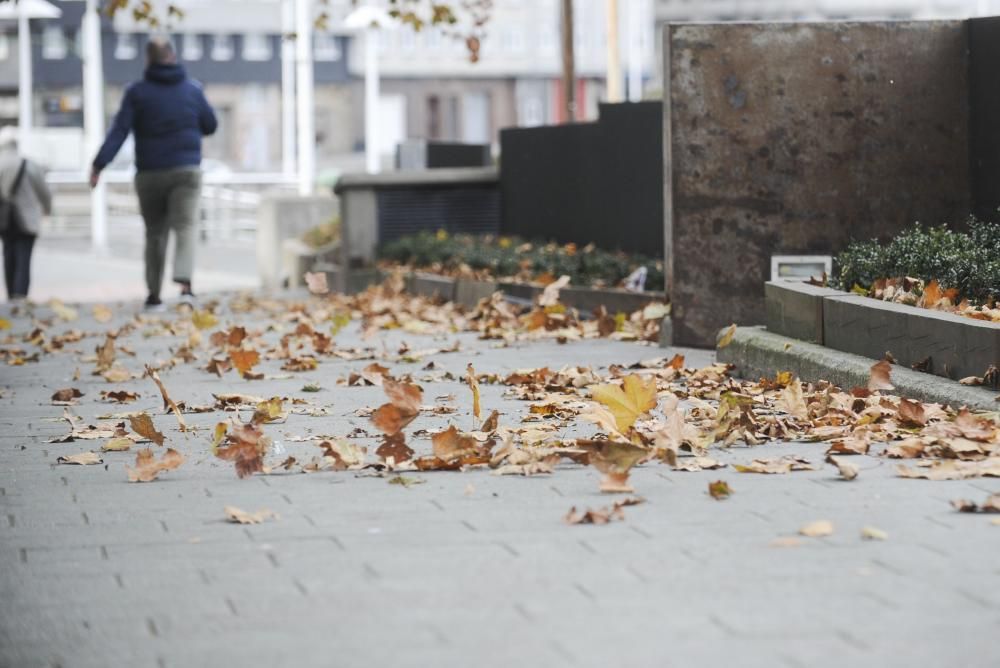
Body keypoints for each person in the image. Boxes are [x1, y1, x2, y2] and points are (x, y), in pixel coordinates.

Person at [91, 36, 217, 311]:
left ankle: (154, 295)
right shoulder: (193, 90)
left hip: (149, 173)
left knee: (155, 233)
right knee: (185, 226)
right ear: (172, 56)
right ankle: (185, 287)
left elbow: (119, 131)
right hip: (186, 171)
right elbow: (210, 125)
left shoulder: (136, 92)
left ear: (148, 60)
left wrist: (99, 164)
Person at [0, 126, 52, 302]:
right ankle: (20, 295)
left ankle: (10, 293)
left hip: (5, 219)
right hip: (27, 218)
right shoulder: (29, 164)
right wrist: (47, 209)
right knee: (24, 257)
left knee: (8, 254)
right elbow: (44, 191)